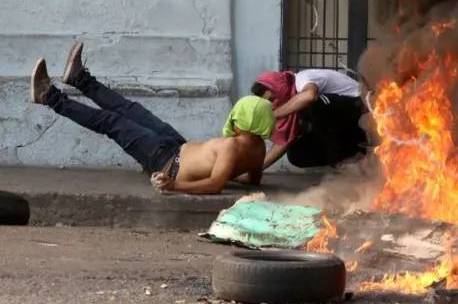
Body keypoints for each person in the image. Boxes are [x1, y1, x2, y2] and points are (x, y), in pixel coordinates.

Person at [29, 42, 275, 195]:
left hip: (166, 162)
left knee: (112, 122)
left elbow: (215, 185)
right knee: (130, 109)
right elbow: (251, 179)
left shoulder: (232, 146)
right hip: (176, 145)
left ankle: (48, 96)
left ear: (240, 121)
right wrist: (224, 169)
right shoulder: (258, 149)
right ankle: (80, 79)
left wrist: (174, 185)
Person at [250, 68, 368, 169]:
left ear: (279, 86)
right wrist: (257, 170)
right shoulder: (289, 104)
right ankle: (355, 157)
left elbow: (310, 96)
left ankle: (342, 161)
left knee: (313, 105)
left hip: (362, 111)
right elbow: (284, 142)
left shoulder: (303, 78)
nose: (273, 105)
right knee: (297, 155)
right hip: (345, 130)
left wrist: (274, 115)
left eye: (272, 99)